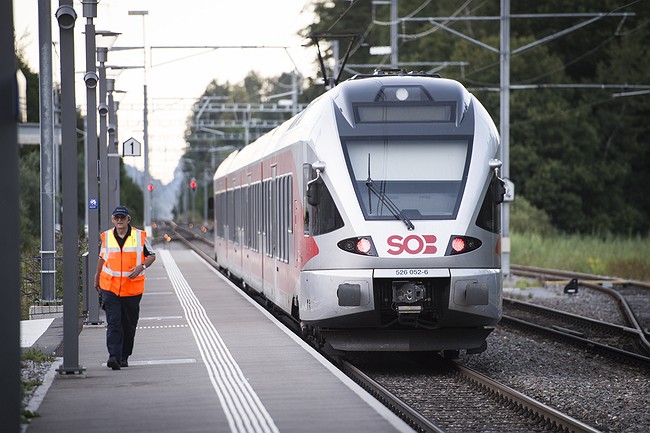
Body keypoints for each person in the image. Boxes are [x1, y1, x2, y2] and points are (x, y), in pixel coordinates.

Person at [94, 206, 155, 370]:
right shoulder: (107, 237)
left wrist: (141, 267)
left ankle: (124, 355)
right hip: (110, 287)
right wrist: (97, 276)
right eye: (116, 218)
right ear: (113, 220)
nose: (119, 220)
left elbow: (152, 255)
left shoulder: (139, 236)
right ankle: (113, 356)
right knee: (114, 322)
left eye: (122, 217)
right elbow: (102, 258)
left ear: (128, 219)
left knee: (128, 324)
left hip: (132, 289)